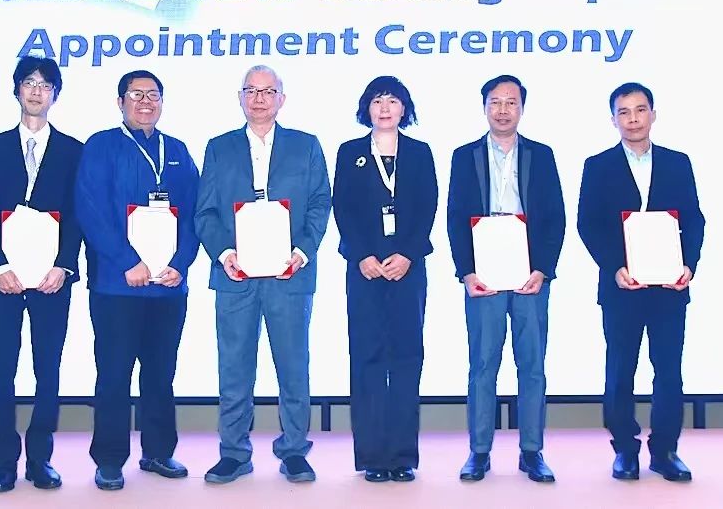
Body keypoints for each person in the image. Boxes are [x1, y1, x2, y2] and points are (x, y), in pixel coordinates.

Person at [195, 65, 331, 484]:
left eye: (268, 91)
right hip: (235, 276)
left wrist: (302, 252)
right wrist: (224, 253)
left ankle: (294, 450)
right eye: (251, 91)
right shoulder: (218, 148)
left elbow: (319, 204)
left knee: (293, 366)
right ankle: (234, 453)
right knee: (234, 367)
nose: (258, 98)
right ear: (240, 98)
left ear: (281, 99)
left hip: (290, 275)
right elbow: (205, 212)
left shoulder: (306, 146)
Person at [75, 70, 200, 491]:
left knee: (161, 373)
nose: (145, 102)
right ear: (120, 102)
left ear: (162, 102)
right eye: (136, 94)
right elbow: (90, 209)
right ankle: (110, 459)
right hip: (118, 284)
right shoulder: (101, 146)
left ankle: (158, 451)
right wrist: (126, 260)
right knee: (114, 374)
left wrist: (182, 263)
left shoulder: (177, 150)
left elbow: (196, 211)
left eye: (153, 95)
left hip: (168, 286)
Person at [576, 82, 704, 483]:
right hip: (622, 287)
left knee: (669, 371)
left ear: (653, 114)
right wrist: (614, 266)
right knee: (620, 371)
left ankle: (665, 451)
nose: (633, 119)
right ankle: (625, 450)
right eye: (624, 112)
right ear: (613, 119)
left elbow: (694, 219)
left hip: (669, 287)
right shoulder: (598, 165)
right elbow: (588, 223)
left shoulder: (678, 163)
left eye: (640, 110)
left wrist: (689, 265)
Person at [446, 75, 566, 483]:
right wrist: (466, 271)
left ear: (522, 109)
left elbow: (555, 217)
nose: (502, 110)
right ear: (484, 108)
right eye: (495, 102)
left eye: (510, 102)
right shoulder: (465, 156)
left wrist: (543, 269)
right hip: (484, 271)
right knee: (483, 363)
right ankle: (479, 452)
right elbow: (455, 217)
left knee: (532, 364)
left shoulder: (542, 155)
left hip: (529, 272)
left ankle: (532, 451)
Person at [0, 55, 83, 492]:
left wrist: (65, 265)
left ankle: (40, 459)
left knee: (47, 370)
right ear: (16, 89)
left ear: (55, 94)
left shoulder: (74, 150)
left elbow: (77, 214)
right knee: (2, 370)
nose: (36, 91)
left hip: (52, 279)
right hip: (3, 278)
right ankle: (3, 461)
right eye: (29, 82)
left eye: (45, 84)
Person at [332, 76, 437, 483]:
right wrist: (362, 255)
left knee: (407, 358)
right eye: (377, 101)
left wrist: (408, 254)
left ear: (404, 108)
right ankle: (373, 457)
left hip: (407, 268)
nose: (385, 108)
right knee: (367, 359)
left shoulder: (420, 152)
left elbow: (428, 206)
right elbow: (343, 208)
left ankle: (403, 456)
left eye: (393, 100)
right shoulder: (350, 152)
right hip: (365, 269)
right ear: (367, 108)